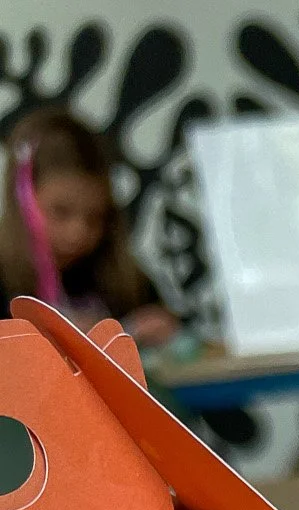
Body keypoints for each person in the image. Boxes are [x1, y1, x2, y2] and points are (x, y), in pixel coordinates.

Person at [0, 109, 175, 342]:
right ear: (22, 199)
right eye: (61, 212)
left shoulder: (119, 277)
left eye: (94, 217)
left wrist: (160, 328)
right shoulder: (4, 281)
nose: (77, 233)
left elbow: (167, 325)